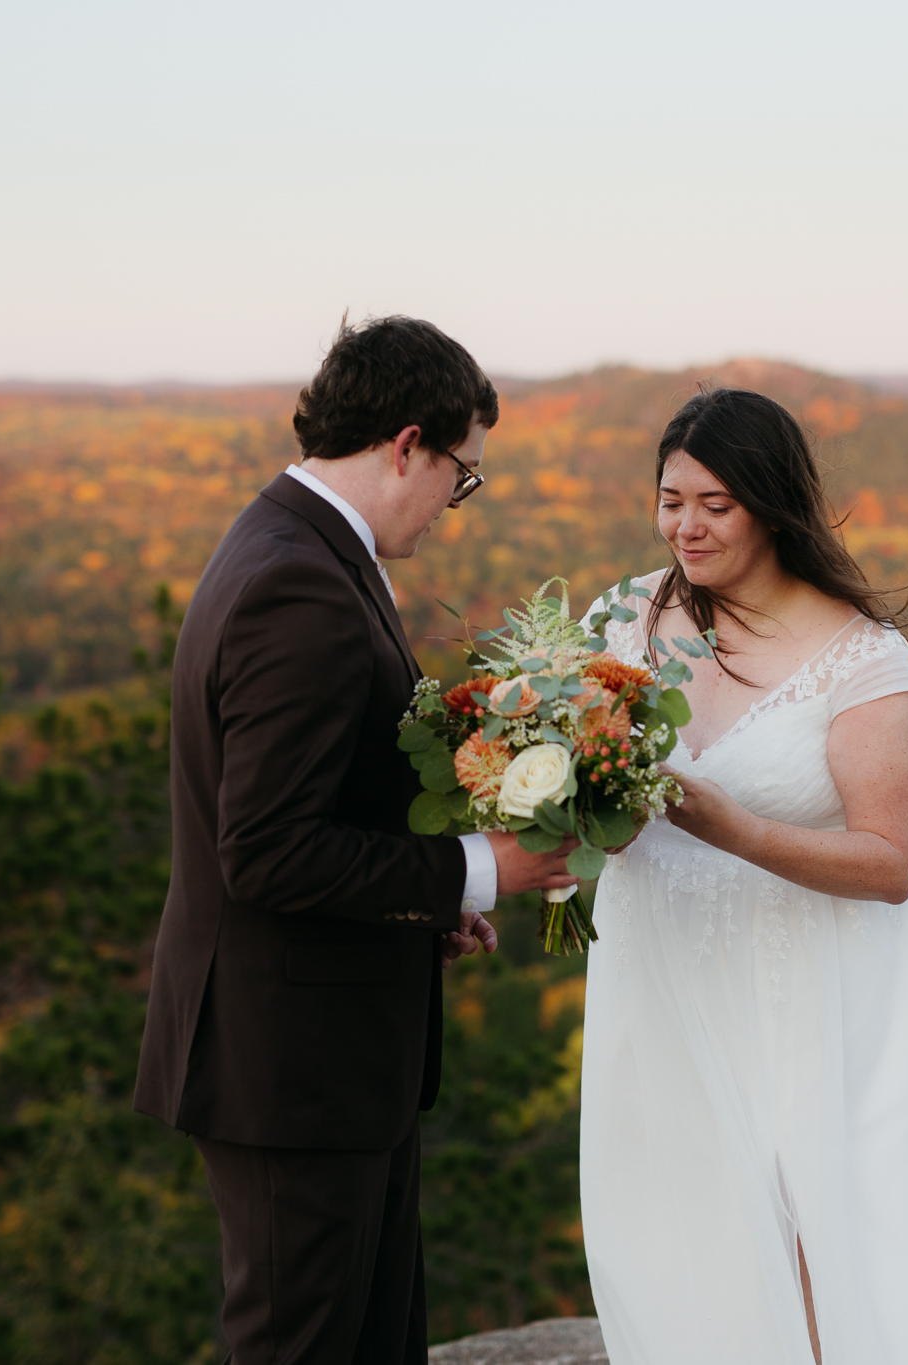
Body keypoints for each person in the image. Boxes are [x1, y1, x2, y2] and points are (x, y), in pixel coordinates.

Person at [579, 389, 908, 1364]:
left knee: (829, 1228)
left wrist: (731, 825)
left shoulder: (861, 660)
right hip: (666, 972)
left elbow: (889, 863)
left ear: (769, 505)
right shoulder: (631, 617)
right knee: (690, 1218)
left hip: (820, 987)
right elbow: (612, 807)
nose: (685, 525)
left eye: (713, 504)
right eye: (670, 499)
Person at [133, 316, 577, 1365]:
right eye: (460, 477)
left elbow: (327, 804)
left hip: (328, 1055)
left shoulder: (299, 544)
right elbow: (269, 849)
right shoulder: (299, 584)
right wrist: (479, 871)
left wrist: (425, 911)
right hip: (291, 1070)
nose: (453, 505)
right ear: (407, 443)